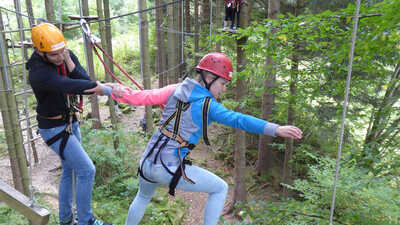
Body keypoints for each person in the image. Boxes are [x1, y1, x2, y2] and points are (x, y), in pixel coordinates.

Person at [89, 52, 302, 225]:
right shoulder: (209, 106)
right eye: (223, 84)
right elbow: (239, 120)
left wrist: (106, 88)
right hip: (167, 167)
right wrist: (276, 129)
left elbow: (140, 97)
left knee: (143, 197)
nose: (224, 89)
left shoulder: (175, 89)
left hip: (147, 161)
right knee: (220, 188)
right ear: (209, 79)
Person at [27, 23, 113, 225]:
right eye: (54, 55)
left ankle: (66, 219)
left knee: (70, 170)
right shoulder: (38, 72)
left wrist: (68, 59)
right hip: (53, 128)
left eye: (61, 51)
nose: (59, 57)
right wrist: (99, 88)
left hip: (70, 122)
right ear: (40, 52)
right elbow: (67, 85)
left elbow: (82, 78)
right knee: (86, 170)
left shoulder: (64, 54)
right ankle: (86, 221)